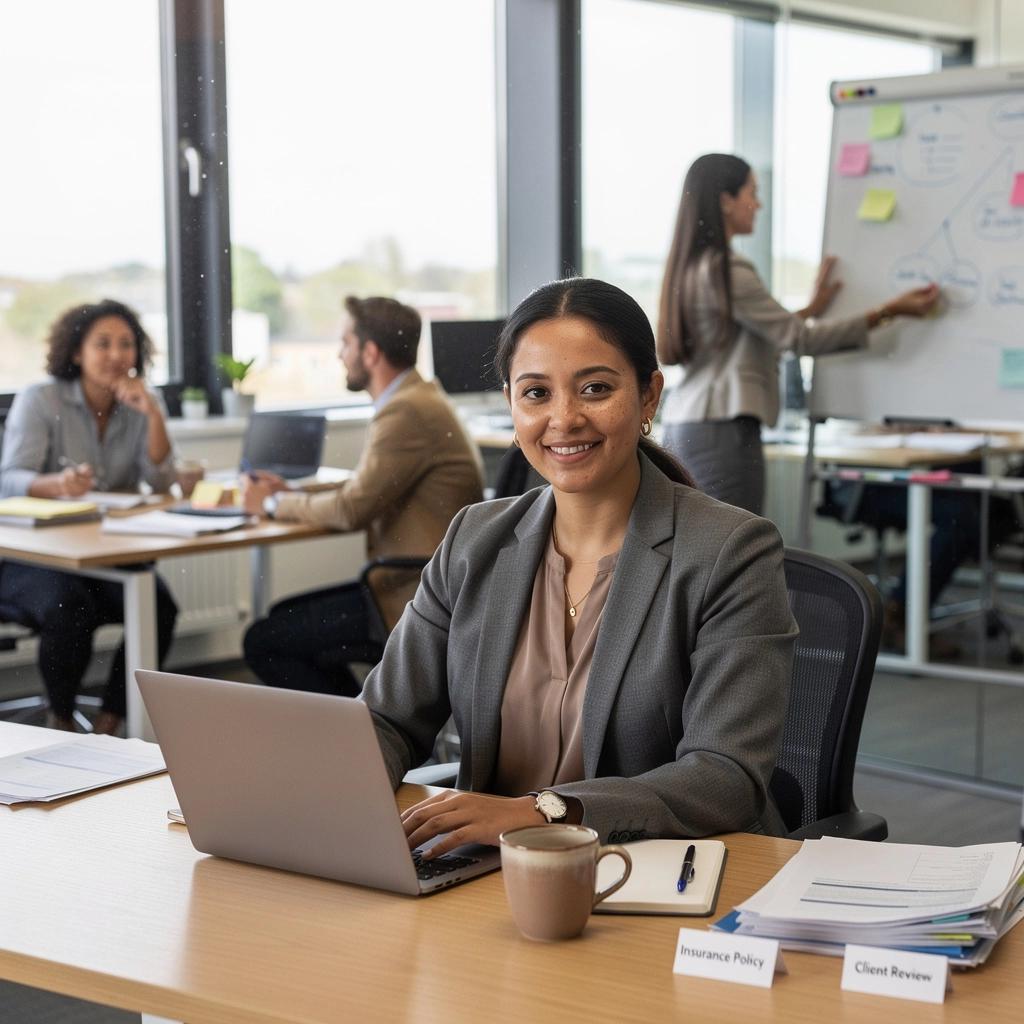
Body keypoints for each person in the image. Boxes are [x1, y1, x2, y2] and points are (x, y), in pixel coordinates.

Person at [358, 277, 799, 861]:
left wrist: (540, 811)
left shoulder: (731, 551)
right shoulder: (474, 540)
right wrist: (330, 785)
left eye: (594, 388)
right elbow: (386, 718)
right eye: (536, 393)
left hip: (653, 872)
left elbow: (725, 776)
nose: (564, 419)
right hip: (491, 875)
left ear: (649, 397)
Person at [656, 152, 941, 516]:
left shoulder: (694, 266)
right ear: (726, 201)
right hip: (722, 429)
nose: (757, 205)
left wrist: (810, 309)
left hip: (688, 424)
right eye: (751, 193)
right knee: (731, 553)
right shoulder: (729, 269)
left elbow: (747, 335)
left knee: (704, 549)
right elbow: (799, 340)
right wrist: (890, 311)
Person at [241, 296, 484, 697]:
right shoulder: (417, 399)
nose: (340, 354)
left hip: (415, 596)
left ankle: (357, 738)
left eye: (345, 342)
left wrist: (270, 504)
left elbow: (353, 509)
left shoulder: (405, 412)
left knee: (265, 641)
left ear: (370, 352)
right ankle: (358, 729)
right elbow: (364, 489)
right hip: (417, 584)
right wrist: (290, 492)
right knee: (282, 620)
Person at [0, 299, 179, 734]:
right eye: (103, 344)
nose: (117, 355)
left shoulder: (142, 403)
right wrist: (58, 484)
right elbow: (9, 478)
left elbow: (162, 481)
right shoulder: (41, 398)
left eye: (126, 344)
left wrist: (152, 414)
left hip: (99, 553)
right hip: (32, 557)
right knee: (70, 606)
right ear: (76, 351)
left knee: (158, 604)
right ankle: (60, 719)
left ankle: (108, 725)